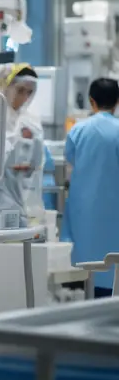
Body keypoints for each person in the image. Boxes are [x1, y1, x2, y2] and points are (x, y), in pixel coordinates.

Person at [61, 77, 119, 298]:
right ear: (117, 102)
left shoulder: (78, 130)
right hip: (114, 215)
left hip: (84, 212)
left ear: (91, 101)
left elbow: (70, 161)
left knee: (86, 271)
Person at [0, 63, 45, 223]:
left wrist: (29, 165)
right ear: (7, 87)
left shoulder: (31, 122)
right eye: (20, 90)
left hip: (23, 198)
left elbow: (37, 163)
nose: (24, 97)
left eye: (29, 92)